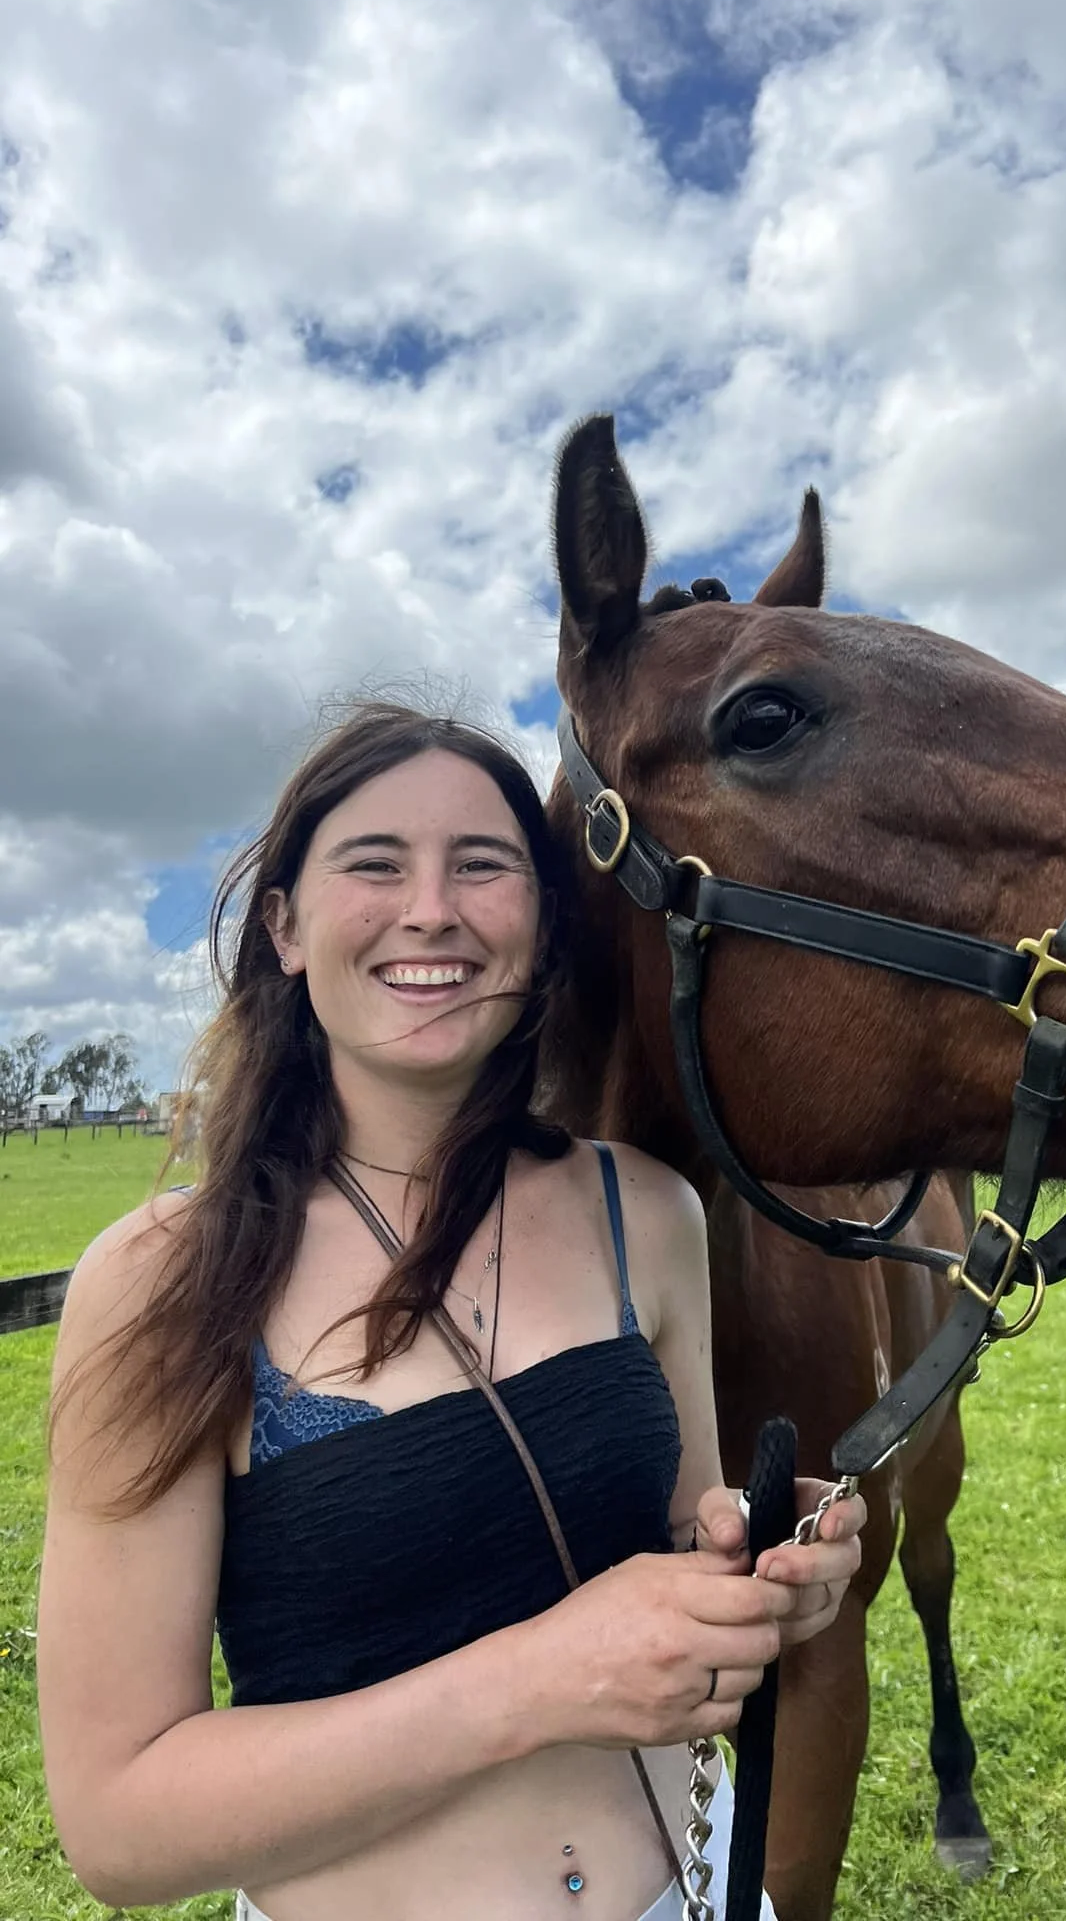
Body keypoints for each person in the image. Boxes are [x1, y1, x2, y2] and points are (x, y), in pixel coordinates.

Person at [37, 702, 865, 1921]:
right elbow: (118, 1822)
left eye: (483, 866)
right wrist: (536, 1677)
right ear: (284, 927)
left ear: (538, 926)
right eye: (375, 864)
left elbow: (680, 1549)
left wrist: (759, 1575)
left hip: (689, 1884)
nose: (432, 907)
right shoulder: (162, 1280)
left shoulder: (646, 1211)